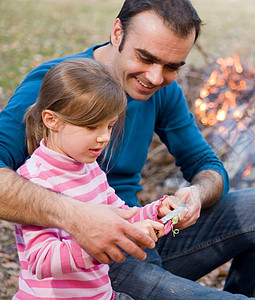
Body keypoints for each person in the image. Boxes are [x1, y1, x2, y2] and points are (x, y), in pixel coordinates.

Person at [0, 0, 255, 299]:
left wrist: (194, 195)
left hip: (140, 233)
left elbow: (205, 164)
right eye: (145, 57)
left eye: (171, 67)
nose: (155, 77)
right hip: (88, 260)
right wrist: (78, 219)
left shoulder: (161, 90)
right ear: (117, 33)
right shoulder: (58, 86)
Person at [14, 58, 185, 299]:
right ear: (52, 120)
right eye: (93, 127)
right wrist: (98, 243)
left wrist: (156, 212)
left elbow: (122, 214)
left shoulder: (90, 168)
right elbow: (41, 260)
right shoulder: (37, 179)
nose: (104, 137)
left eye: (109, 126)